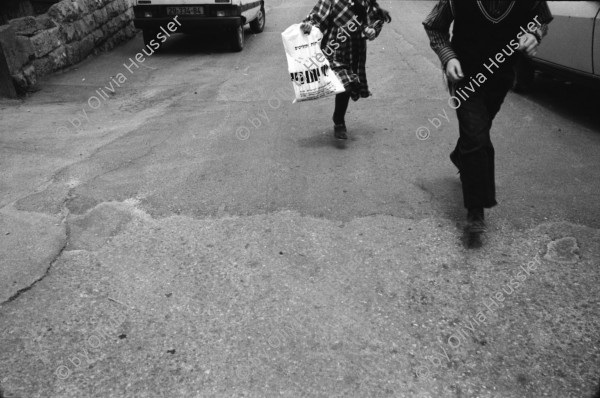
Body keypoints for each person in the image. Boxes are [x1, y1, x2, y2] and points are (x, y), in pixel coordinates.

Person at [423, 0, 552, 235]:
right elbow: (434, 25)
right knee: (476, 134)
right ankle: (475, 211)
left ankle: (460, 155)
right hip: (465, 74)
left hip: (501, 75)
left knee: (478, 131)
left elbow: (541, 18)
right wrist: (448, 56)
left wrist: (534, 33)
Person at [300, 0, 391, 140]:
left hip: (354, 54)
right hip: (333, 52)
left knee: (350, 85)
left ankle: (338, 118)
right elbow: (316, 19)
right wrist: (308, 26)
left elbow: (376, 19)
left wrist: (372, 30)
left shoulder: (365, 2)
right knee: (346, 86)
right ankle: (339, 122)